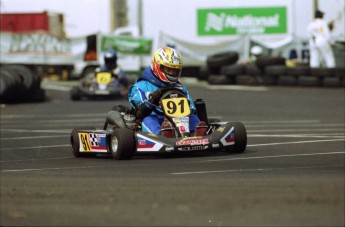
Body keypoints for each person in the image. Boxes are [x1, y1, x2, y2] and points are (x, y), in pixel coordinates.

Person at [127, 47, 207, 137]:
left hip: (180, 120)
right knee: (148, 120)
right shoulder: (140, 87)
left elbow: (191, 108)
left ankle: (196, 134)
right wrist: (153, 100)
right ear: (157, 67)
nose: (172, 73)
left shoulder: (180, 88)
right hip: (154, 118)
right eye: (168, 69)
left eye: (175, 70)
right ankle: (163, 135)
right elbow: (139, 113)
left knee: (193, 118)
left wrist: (190, 110)